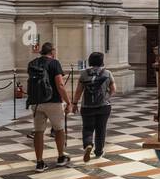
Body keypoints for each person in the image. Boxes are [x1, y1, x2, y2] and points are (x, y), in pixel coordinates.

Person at [26, 42, 71, 172]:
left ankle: (39, 163)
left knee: (38, 131)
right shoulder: (54, 63)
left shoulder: (32, 63)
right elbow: (60, 85)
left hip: (36, 102)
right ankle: (61, 157)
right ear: (52, 52)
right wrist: (68, 102)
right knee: (59, 129)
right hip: (53, 102)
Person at [73, 52, 116, 162]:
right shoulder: (107, 73)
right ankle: (99, 151)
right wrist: (107, 97)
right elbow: (113, 89)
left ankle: (88, 144)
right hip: (103, 106)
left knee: (87, 128)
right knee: (101, 129)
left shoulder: (83, 74)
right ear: (102, 61)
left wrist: (74, 103)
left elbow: (79, 91)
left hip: (87, 107)